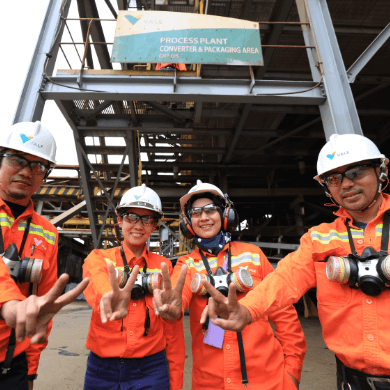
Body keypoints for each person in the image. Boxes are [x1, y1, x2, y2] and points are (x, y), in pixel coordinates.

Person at [201, 134, 390, 390]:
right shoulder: (320, 238)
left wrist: (291, 369)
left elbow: (285, 318)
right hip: (351, 380)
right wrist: (246, 310)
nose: (346, 184)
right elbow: (284, 280)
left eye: (356, 172)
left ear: (380, 170)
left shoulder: (252, 252)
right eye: (334, 178)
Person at [153, 180, 306, 389]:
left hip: (267, 381)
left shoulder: (253, 255)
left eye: (210, 210)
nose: (204, 217)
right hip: (210, 383)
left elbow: (283, 313)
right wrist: (173, 309)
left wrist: (292, 372)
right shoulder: (185, 264)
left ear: (226, 215)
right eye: (196, 213)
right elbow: (181, 296)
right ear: (188, 223)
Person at [0, 121, 89, 390]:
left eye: (39, 166)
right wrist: (11, 304)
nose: (27, 172)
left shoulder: (47, 232)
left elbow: (44, 310)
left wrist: (31, 371)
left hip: (11, 365)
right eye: (18, 160)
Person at [82, 184, 185, 390]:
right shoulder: (100, 258)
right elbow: (97, 279)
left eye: (147, 219)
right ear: (119, 220)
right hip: (102, 368)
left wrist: (175, 382)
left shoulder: (165, 267)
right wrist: (108, 296)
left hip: (151, 368)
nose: (139, 225)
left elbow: (172, 333)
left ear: (154, 225)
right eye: (131, 217)